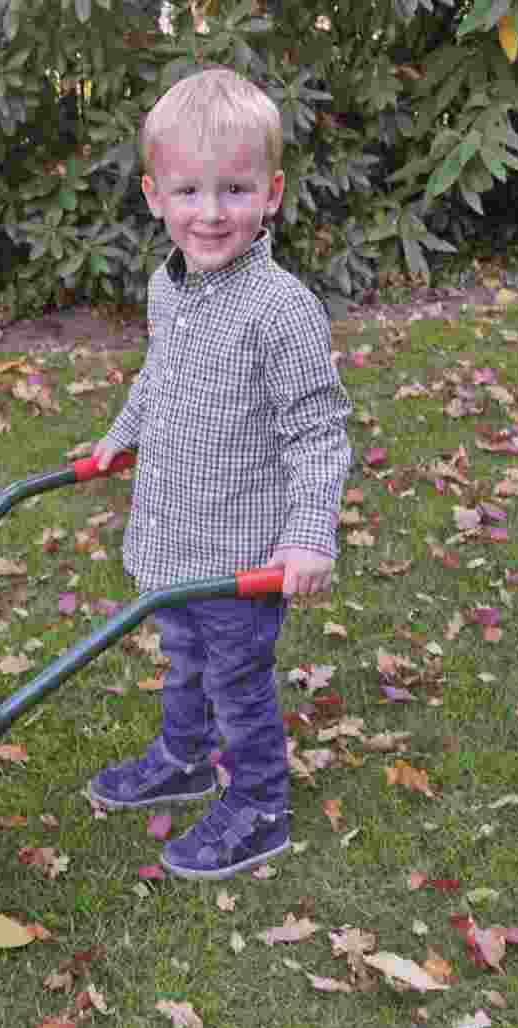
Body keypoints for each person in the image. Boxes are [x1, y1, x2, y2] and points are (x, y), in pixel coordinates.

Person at [87, 68, 352, 879]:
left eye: (234, 189)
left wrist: (311, 534)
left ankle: (261, 800)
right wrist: (120, 436)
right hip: (174, 535)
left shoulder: (282, 308)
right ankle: (185, 755)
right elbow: (157, 375)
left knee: (237, 677)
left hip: (242, 554)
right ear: (154, 194)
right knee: (184, 655)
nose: (210, 212)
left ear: (271, 193)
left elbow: (318, 427)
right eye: (189, 190)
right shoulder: (169, 288)